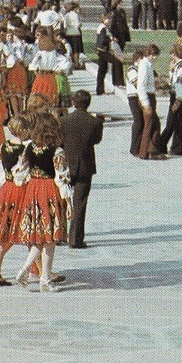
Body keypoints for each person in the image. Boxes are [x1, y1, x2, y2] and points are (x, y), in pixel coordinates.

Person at [13, 112, 71, 292]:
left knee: (39, 235)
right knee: (50, 237)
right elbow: (62, 178)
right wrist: (69, 203)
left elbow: (20, 171)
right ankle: (43, 277)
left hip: (33, 191)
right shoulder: (57, 151)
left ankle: (33, 271)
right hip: (50, 191)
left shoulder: (29, 147)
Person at [0, 116, 32, 286]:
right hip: (22, 189)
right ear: (22, 131)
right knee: (30, 229)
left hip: (6, 189)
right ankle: (41, 270)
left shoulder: (4, 145)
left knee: (3, 231)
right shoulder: (26, 148)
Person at [61, 91, 104, 249]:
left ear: (73, 102)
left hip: (66, 164)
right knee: (80, 202)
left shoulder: (63, 121)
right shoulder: (94, 122)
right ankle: (75, 238)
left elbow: (59, 141)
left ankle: (59, 234)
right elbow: (96, 140)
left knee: (62, 200)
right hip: (85, 165)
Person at [157, 44, 182, 157]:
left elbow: (180, 85)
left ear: (174, 54)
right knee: (178, 123)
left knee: (171, 122)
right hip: (176, 95)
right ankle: (177, 148)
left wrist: (178, 102)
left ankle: (160, 145)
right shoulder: (179, 66)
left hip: (177, 97)